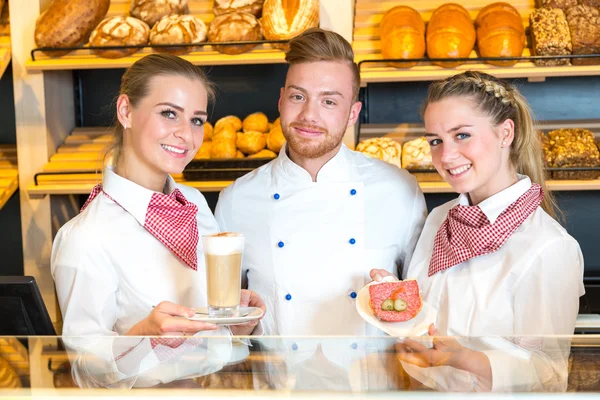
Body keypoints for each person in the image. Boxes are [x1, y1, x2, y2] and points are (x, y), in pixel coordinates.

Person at [50, 53, 265, 388]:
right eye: (169, 114)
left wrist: (232, 327)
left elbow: (210, 344)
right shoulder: (85, 237)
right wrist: (143, 336)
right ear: (126, 112)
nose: (187, 135)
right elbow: (84, 374)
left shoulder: (193, 202)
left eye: (196, 120)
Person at [371, 71, 585, 392]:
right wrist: (397, 301)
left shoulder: (549, 248)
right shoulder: (440, 218)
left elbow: (548, 374)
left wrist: (464, 358)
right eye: (435, 141)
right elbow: (429, 321)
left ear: (506, 133)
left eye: (462, 135)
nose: (446, 156)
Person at [215, 28, 427, 339]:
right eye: (298, 96)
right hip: (278, 382)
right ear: (281, 99)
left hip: (370, 383)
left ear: (353, 113)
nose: (308, 115)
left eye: (329, 101)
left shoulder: (399, 190)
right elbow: (222, 323)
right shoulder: (237, 199)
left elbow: (425, 310)